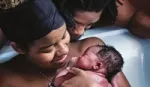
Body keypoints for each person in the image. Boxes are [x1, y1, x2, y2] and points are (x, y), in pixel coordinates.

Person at [0, 0, 130, 87]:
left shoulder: (93, 51)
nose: (64, 50)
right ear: (19, 48)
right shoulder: (8, 79)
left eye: (63, 36)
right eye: (47, 48)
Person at [53, 0, 150, 41]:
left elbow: (136, 20)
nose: (80, 31)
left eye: (88, 25)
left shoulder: (110, 9)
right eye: (75, 23)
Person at [53, 45, 124, 87]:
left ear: (97, 65)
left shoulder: (81, 75)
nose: (79, 56)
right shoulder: (106, 83)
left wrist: (68, 67)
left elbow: (57, 82)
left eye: (84, 55)